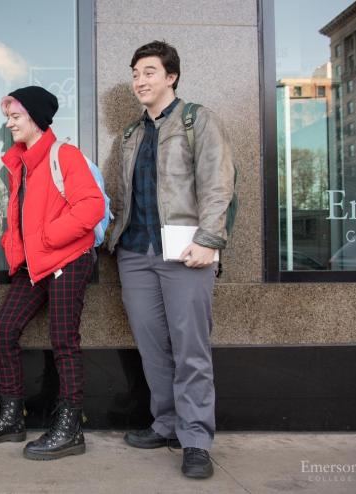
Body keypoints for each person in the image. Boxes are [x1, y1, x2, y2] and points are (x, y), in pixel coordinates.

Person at [106, 41, 235, 479]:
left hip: (186, 252)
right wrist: (113, 239)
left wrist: (209, 239)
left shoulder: (197, 120)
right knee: (152, 346)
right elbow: (123, 197)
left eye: (149, 72)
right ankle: (166, 424)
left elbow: (219, 184)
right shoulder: (130, 133)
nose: (140, 81)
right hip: (136, 254)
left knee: (190, 348)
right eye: (135, 73)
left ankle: (196, 438)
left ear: (171, 76)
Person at [0, 86, 104, 460]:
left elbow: (90, 207)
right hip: (33, 266)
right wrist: (17, 245)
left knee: (63, 341)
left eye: (16, 117)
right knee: (4, 331)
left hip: (68, 260)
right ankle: (13, 417)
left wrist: (45, 238)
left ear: (36, 118)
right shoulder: (21, 162)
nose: (9, 123)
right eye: (8, 117)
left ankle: (71, 428)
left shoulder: (65, 155)